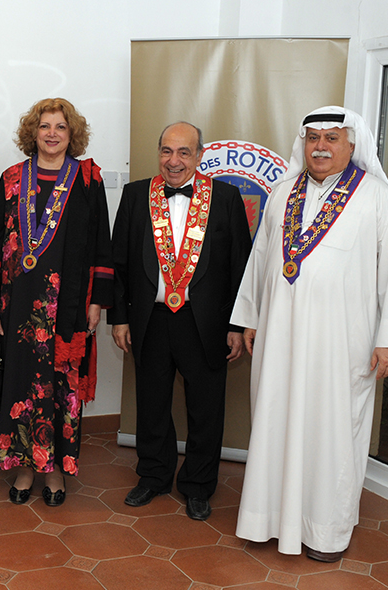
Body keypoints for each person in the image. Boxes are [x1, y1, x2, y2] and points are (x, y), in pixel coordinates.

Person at [231, 106, 388, 562]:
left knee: (332, 432)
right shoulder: (282, 192)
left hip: (341, 343)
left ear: (352, 144)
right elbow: (260, 259)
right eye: (313, 137)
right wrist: (250, 317)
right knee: (274, 419)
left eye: (332, 138)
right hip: (279, 337)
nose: (320, 146)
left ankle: (325, 531)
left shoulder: (376, 197)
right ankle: (266, 519)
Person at [109, 122, 251, 520]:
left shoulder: (226, 198)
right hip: (150, 320)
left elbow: (240, 267)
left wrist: (236, 325)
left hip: (204, 323)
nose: (174, 161)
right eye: (167, 151)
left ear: (200, 155)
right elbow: (119, 263)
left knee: (206, 409)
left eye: (184, 152)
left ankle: (198, 485)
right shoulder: (136, 195)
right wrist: (120, 319)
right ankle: (153, 476)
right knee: (151, 404)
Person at [0, 98, 113, 506]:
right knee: (20, 384)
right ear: (33, 133)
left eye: (60, 127)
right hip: (17, 307)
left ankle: (55, 470)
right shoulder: (11, 179)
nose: (52, 134)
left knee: (60, 387)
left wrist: (97, 303)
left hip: (67, 307)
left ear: (72, 134)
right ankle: (24, 467)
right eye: (45, 126)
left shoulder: (87, 180)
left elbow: (102, 245)